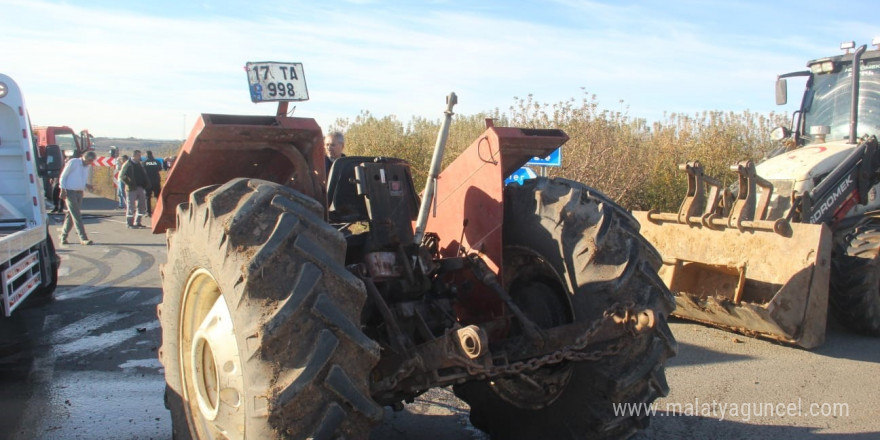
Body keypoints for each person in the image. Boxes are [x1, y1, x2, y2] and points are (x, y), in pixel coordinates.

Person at [58, 150, 97, 245]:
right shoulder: (74, 162)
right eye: (88, 160)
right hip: (70, 192)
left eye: (91, 161)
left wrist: (86, 185)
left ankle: (63, 236)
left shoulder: (86, 167)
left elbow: (79, 179)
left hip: (79, 192)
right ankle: (83, 238)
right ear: (84, 157)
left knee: (71, 216)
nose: (89, 162)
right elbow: (63, 176)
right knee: (76, 215)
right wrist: (62, 189)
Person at [120, 150, 151, 229]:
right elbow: (122, 176)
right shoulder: (128, 164)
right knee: (131, 206)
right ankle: (129, 223)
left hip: (140, 187)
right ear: (134, 156)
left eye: (140, 155)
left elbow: (144, 174)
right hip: (131, 188)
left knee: (141, 205)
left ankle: (138, 222)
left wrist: (146, 183)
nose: (140, 157)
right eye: (138, 155)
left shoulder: (139, 164)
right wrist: (129, 183)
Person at [142, 151, 162, 216]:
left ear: (146, 155)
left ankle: (148, 212)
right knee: (158, 197)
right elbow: (160, 169)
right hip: (156, 181)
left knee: (148, 197)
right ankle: (160, 210)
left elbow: (142, 171)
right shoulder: (156, 162)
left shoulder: (144, 162)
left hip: (148, 182)